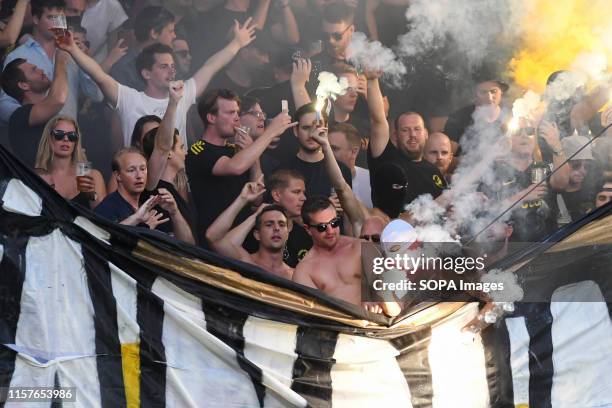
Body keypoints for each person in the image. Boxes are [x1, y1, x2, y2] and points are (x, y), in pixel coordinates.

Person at [58, 17, 257, 148]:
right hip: (140, 178)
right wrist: (73, 49)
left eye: (172, 65)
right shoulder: (130, 98)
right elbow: (99, 76)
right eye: (163, 66)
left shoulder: (182, 92)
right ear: (146, 73)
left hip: (177, 179)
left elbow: (210, 66)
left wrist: (237, 43)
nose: (171, 70)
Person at [185, 88, 295, 243]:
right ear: (211, 117)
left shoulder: (236, 151)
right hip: (214, 241)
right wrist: (271, 132)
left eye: (237, 113)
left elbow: (257, 199)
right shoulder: (198, 150)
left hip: (244, 239)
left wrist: (254, 158)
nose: (237, 118)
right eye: (230, 113)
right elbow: (235, 167)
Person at [0, 0, 103, 124]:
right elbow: (5, 106)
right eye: (51, 17)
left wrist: (85, 59)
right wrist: (32, 117)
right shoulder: (17, 56)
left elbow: (97, 96)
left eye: (61, 18)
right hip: (35, 138)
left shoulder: (74, 53)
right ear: (36, 19)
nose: (57, 23)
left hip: (68, 137)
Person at [293, 195, 398, 315]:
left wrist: (378, 299)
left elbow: (395, 307)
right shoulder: (304, 271)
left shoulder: (360, 247)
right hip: (339, 329)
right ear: (307, 229)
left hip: (380, 324)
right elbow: (314, 316)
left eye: (334, 223)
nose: (330, 231)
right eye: (322, 227)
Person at [366, 68, 447, 207]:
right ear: (395, 135)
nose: (412, 134)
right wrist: (372, 80)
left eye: (417, 129)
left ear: (426, 134)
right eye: (405, 130)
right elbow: (378, 120)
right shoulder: (386, 159)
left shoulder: (433, 172)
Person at [482, 121, 569, 242]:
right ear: (507, 139)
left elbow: (562, 183)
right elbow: (486, 212)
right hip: (511, 251)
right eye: (517, 131)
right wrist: (522, 196)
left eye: (529, 131)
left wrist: (556, 145)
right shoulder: (494, 173)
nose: (524, 135)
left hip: (547, 247)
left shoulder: (544, 168)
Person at [95, 146, 195, 244]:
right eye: (131, 170)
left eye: (143, 169)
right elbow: (102, 240)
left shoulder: (153, 203)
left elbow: (188, 245)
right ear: (118, 176)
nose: (139, 175)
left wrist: (174, 212)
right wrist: (142, 225)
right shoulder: (108, 207)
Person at [206, 178, 293, 279]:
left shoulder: (293, 275)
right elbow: (213, 237)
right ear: (257, 235)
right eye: (269, 224)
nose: (276, 228)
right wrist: (243, 200)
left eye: (281, 224)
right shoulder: (245, 261)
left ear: (287, 234)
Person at [1, 52, 69, 166]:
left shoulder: (53, 117)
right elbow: (58, 99)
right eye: (34, 70)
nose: (41, 70)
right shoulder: (18, 117)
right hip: (39, 182)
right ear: (24, 85)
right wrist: (61, 62)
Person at [34, 115, 106, 208]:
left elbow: (103, 217)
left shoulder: (92, 175)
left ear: (76, 141)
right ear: (49, 138)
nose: (66, 139)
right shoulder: (39, 176)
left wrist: (91, 195)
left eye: (72, 136)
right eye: (59, 134)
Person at [282, 103, 352, 197]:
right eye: (306, 128)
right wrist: (325, 205)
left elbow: (348, 208)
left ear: (326, 128)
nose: (312, 134)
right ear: (296, 130)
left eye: (318, 127)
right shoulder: (282, 172)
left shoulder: (342, 170)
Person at [109, 6, 175, 91]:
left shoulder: (168, 62)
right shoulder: (124, 68)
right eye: (170, 31)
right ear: (154, 33)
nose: (174, 36)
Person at [444, 69, 509, 152]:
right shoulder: (458, 119)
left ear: (501, 92)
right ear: (474, 93)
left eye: (494, 91)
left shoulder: (512, 118)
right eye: (483, 92)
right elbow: (448, 157)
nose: (489, 98)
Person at [265, 168, 310, 267]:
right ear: (276, 195)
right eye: (297, 192)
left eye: (303, 192)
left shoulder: (304, 234)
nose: (304, 198)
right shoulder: (258, 230)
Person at [557, 134, 602, 222]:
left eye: (587, 166)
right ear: (563, 164)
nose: (582, 170)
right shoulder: (552, 193)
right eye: (576, 165)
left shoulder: (595, 192)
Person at [328, 122, 372, 207]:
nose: (328, 153)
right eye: (326, 148)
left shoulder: (371, 181)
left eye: (334, 149)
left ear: (354, 152)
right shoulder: (316, 178)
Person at [238, 95, 279, 175]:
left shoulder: (270, 164)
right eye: (255, 113)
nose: (262, 118)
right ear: (236, 117)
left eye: (262, 113)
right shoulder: (220, 157)